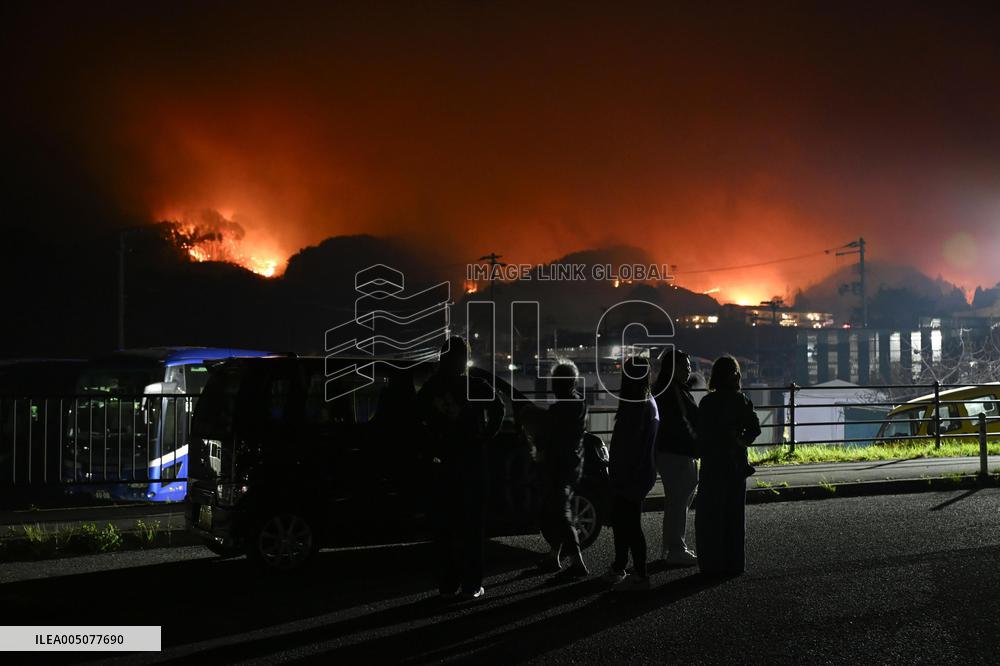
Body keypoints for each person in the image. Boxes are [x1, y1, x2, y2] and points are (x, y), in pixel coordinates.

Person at [416, 336, 504, 600]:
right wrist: (486, 435)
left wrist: (432, 442)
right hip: (472, 463)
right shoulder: (474, 385)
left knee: (444, 527)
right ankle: (471, 584)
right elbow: (499, 407)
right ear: (464, 359)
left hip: (442, 464)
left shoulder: (431, 388)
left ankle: (447, 583)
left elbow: (416, 417)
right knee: (472, 527)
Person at [695, 355, 761, 577]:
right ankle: (734, 563)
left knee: (711, 516)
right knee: (734, 516)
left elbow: (700, 433)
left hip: (712, 464)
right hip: (735, 464)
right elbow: (754, 428)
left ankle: (712, 564)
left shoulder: (707, 402)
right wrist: (741, 441)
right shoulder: (740, 400)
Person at [603, 357, 659, 591]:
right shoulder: (647, 402)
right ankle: (622, 567)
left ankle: (639, 573)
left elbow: (628, 445)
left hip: (630, 474)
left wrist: (618, 475)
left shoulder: (636, 405)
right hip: (638, 472)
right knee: (625, 522)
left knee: (629, 524)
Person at [538, 362, 590, 581]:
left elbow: (546, 437)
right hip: (574, 464)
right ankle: (554, 555)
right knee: (559, 509)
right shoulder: (580, 402)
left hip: (559, 466)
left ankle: (578, 563)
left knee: (561, 512)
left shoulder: (559, 410)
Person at [653, 348, 699, 566]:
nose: (688, 370)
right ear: (674, 368)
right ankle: (676, 549)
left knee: (675, 502)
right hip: (678, 452)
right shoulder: (674, 392)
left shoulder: (665, 389)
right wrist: (697, 445)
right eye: (685, 366)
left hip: (668, 451)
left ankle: (671, 547)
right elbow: (683, 422)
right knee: (679, 502)